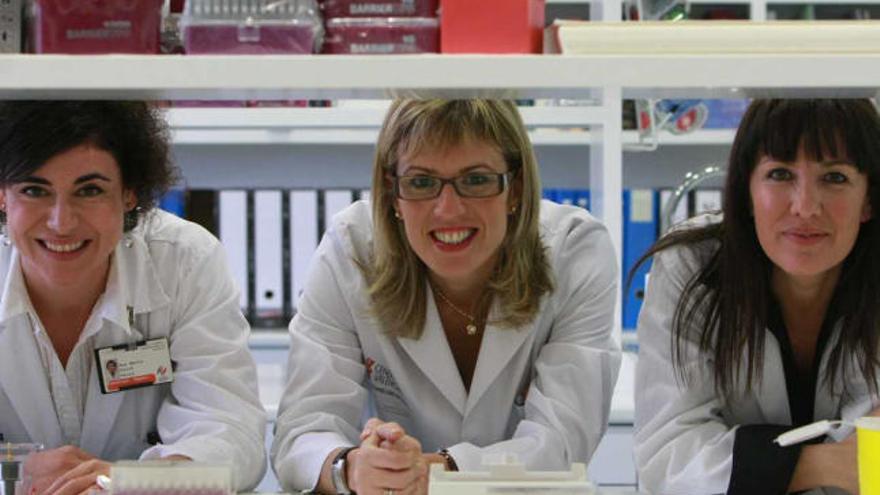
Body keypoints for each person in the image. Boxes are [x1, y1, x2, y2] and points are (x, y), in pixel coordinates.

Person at [271, 99, 621, 494]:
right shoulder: (351, 248)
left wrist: (436, 470)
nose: (448, 209)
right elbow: (303, 431)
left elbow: (563, 440)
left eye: (476, 180)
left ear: (515, 189)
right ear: (393, 195)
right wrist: (352, 468)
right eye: (421, 182)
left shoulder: (574, 251)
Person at [0, 101, 267, 493]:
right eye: (34, 190)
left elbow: (233, 435)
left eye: (89, 190)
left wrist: (129, 484)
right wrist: (15, 474)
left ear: (129, 193)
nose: (61, 221)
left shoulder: (183, 260)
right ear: (2, 196)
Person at [633, 99, 880, 494]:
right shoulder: (693, 267)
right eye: (780, 174)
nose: (804, 207)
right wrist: (823, 463)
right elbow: (670, 456)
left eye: (834, 177)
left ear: (868, 199)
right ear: (746, 191)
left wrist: (757, 462)